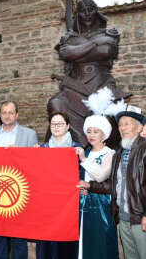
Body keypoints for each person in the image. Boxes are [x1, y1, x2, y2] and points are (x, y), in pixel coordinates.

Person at [79, 110, 146, 259]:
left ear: (139, 128)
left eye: (127, 124)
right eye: (120, 125)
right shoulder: (120, 152)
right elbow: (114, 185)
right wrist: (90, 186)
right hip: (123, 218)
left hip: (142, 217)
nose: (123, 128)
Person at [47, 0, 130, 146]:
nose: (86, 14)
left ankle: (96, 151)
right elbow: (65, 53)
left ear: (96, 12)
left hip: (101, 85)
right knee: (55, 104)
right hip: (75, 87)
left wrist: (77, 49)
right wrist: (94, 44)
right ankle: (73, 145)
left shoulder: (108, 33)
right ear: (77, 14)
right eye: (82, 10)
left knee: (101, 118)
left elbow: (107, 50)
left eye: (90, 9)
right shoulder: (70, 37)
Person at [0, 101, 38, 259]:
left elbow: (35, 165)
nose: (7, 116)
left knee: (19, 237)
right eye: (4, 112)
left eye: (11, 112)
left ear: (17, 115)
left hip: (18, 193)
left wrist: (20, 156)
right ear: (0, 115)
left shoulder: (29, 134)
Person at [36, 111, 83, 259]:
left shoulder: (77, 149)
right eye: (53, 124)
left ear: (68, 126)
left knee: (66, 243)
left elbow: (82, 174)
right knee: (46, 243)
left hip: (68, 206)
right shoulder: (42, 149)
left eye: (60, 124)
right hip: (47, 205)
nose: (56, 127)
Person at [76, 115, 118, 259]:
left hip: (101, 203)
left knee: (100, 243)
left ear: (104, 134)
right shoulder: (86, 151)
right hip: (82, 202)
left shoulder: (110, 153)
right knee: (82, 242)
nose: (91, 135)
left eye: (96, 131)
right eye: (89, 131)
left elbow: (100, 176)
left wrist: (83, 159)